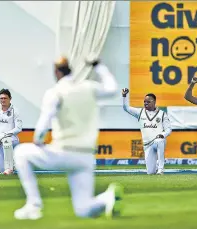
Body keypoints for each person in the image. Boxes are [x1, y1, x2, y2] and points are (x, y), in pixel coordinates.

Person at [13, 56, 123, 220]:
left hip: (63, 152)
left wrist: (39, 139)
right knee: (83, 210)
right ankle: (106, 198)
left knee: (21, 152)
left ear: (56, 72)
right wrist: (99, 67)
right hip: (85, 157)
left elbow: (45, 120)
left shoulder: (55, 92)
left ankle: (33, 205)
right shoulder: (89, 88)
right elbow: (113, 89)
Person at [122, 88, 172, 175]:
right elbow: (126, 108)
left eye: (148, 102)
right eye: (144, 101)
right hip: (147, 145)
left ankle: (160, 169)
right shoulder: (140, 112)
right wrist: (124, 96)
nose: (145, 103)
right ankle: (155, 167)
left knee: (159, 141)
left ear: (154, 102)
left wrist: (162, 135)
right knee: (150, 172)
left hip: (158, 141)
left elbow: (168, 129)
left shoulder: (162, 114)